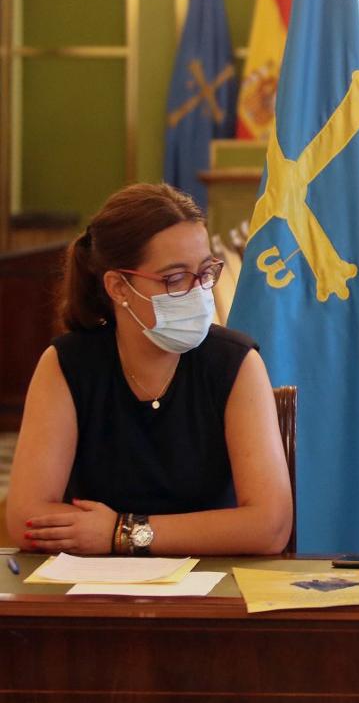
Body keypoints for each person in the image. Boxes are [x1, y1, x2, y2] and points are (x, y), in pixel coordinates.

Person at [5, 183, 292, 555]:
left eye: (205, 272)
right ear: (119, 287)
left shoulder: (234, 363)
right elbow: (26, 518)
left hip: (214, 588)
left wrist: (122, 533)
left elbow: (270, 526)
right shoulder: (68, 364)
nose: (198, 291)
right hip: (95, 592)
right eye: (174, 278)